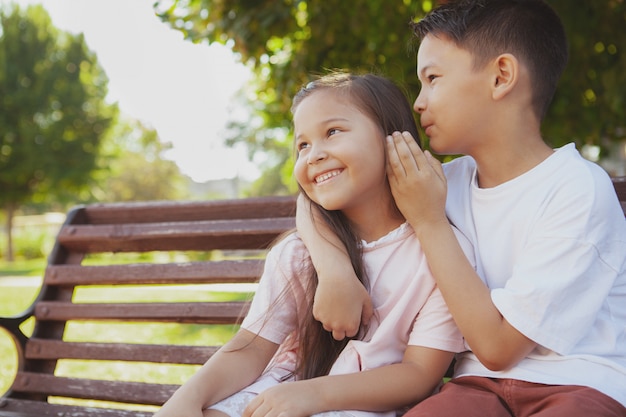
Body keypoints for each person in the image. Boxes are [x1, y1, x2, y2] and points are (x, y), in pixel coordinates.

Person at [298, 1, 626, 416]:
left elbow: (499, 348)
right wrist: (335, 271)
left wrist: (430, 221)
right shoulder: (441, 183)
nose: (418, 103)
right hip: (476, 389)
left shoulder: (576, 189)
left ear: (501, 76)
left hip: (579, 384)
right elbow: (316, 199)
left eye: (433, 78)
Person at [153, 72, 475, 417]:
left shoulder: (441, 253)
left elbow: (419, 374)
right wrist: (188, 398)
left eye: (332, 132)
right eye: (302, 145)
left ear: (393, 139)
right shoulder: (298, 253)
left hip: (361, 404)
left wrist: (313, 396)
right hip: (281, 392)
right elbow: (251, 349)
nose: (314, 155)